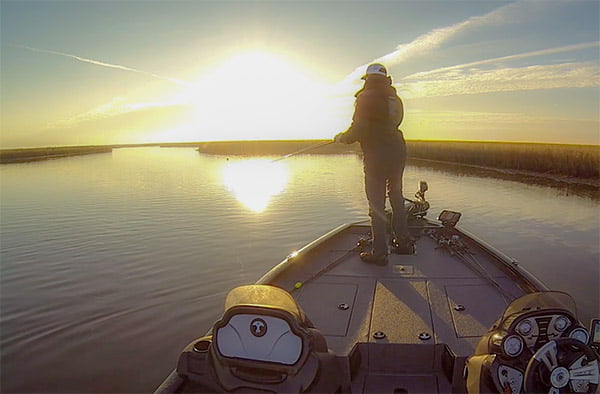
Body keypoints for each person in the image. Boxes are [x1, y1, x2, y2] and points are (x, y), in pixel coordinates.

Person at [334, 63, 413, 265]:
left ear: (368, 79)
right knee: (396, 197)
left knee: (376, 204)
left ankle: (379, 253)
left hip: (377, 155)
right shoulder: (395, 98)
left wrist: (344, 138)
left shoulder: (365, 97)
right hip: (397, 151)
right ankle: (403, 243)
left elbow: (360, 127)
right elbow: (393, 124)